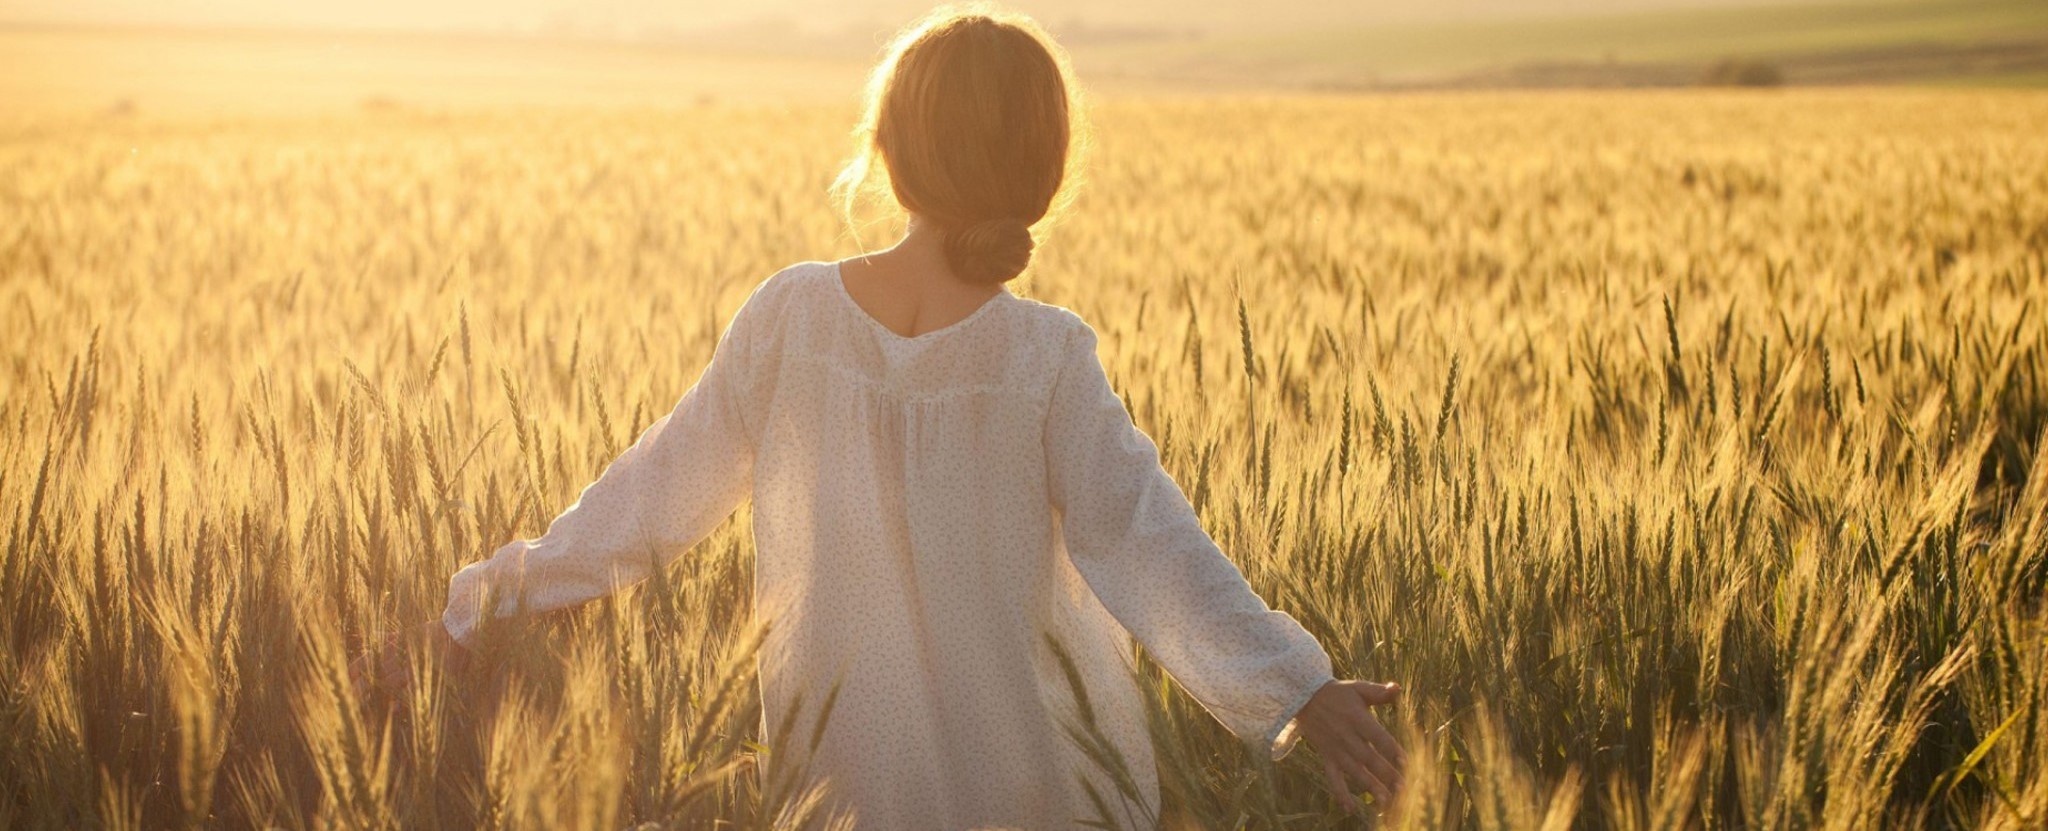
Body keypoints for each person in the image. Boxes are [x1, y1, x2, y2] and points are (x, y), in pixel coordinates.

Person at [350, 3, 1407, 827]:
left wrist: (489, 598)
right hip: (1040, 785)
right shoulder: (1043, 358)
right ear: (1040, 172)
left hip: (839, 785)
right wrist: (1293, 688)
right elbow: (1149, 544)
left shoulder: (793, 320)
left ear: (889, 150)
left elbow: (648, 501)